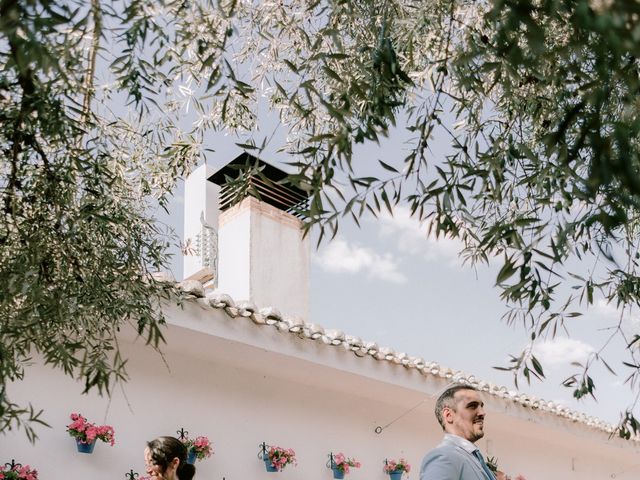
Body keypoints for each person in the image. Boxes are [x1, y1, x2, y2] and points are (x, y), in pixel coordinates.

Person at [420, 385, 526, 480]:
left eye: (481, 406)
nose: (482, 413)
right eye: (472, 406)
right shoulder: (444, 457)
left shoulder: (472, 458)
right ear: (449, 415)